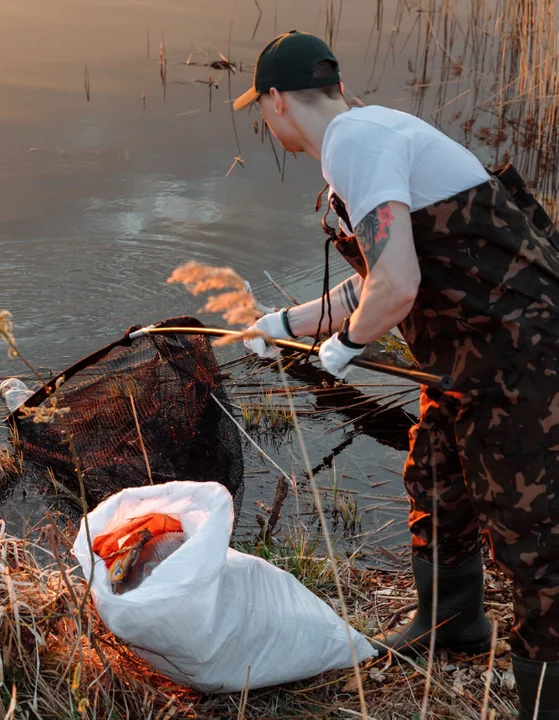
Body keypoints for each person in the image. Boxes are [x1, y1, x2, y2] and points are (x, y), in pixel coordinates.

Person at [235, 29, 559, 720]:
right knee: (435, 477)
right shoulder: (371, 136)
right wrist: (285, 324)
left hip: (524, 362)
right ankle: (452, 624)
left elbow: (398, 286)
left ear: (276, 101)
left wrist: (345, 348)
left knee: (535, 543)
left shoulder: (355, 142)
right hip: (469, 357)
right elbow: (379, 278)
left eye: (259, 108)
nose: (265, 120)